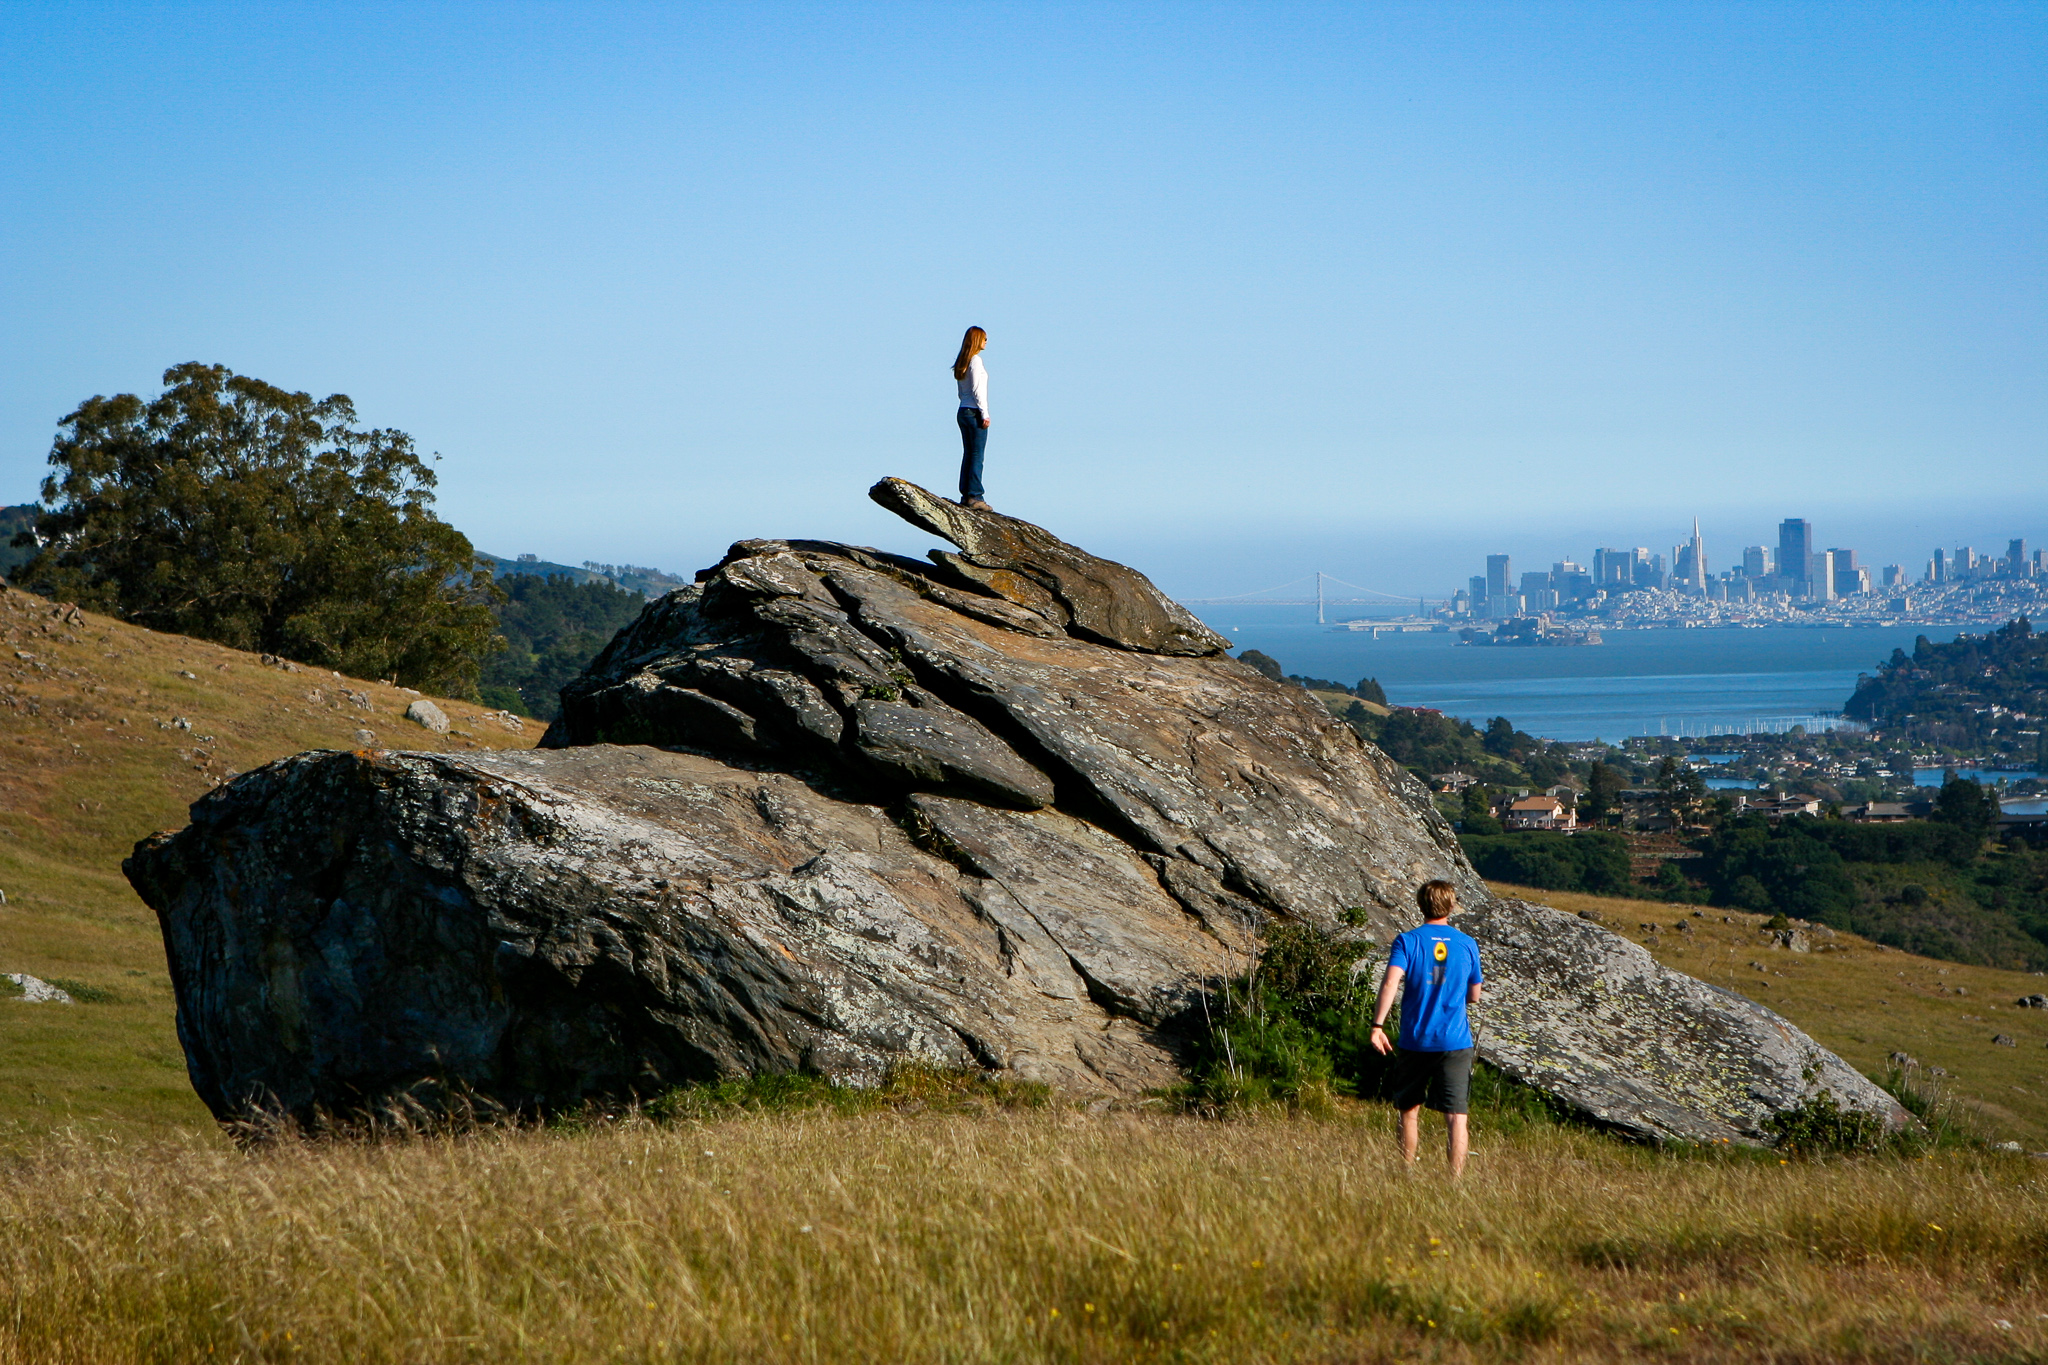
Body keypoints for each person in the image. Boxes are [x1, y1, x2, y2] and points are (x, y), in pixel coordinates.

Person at [1369, 879, 1484, 1176]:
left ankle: (1405, 1173)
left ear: (1421, 904)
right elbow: (1474, 995)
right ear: (1451, 905)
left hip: (1415, 1038)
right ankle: (1455, 1182)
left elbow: (1391, 982)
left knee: (1409, 1111)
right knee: (1457, 1116)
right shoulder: (1467, 944)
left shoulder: (1407, 941)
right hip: (1455, 1040)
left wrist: (1377, 1025)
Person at [951, 326, 992, 510]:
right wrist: (985, 413)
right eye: (984, 338)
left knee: (968, 454)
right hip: (974, 412)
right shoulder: (975, 361)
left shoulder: (963, 361)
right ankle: (975, 495)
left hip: (963, 410)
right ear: (977, 340)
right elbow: (977, 389)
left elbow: (963, 392)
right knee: (977, 455)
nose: (986, 342)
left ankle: (966, 494)